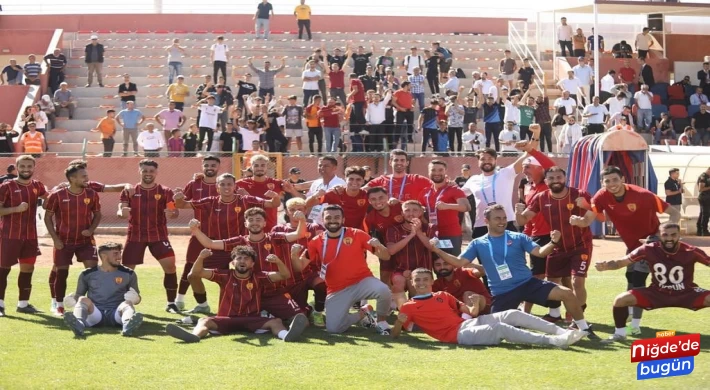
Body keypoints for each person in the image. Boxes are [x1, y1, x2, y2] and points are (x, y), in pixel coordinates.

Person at [431, 204, 600, 339]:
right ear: (486, 220)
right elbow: (460, 262)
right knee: (495, 331)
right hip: (502, 292)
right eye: (498, 218)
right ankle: (519, 320)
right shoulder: (477, 243)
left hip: (527, 284)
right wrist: (438, 251)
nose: (502, 221)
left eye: (504, 218)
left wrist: (553, 243)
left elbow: (540, 253)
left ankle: (584, 328)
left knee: (567, 293)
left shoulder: (518, 237)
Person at [571, 166, 680, 334]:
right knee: (630, 277)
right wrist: (578, 221)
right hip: (632, 246)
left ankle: (635, 325)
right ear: (602, 183)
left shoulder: (643, 195)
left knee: (638, 279)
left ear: (623, 179)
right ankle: (631, 314)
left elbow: (674, 213)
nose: (612, 184)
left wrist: (661, 237)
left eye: (615, 179)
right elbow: (587, 220)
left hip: (650, 244)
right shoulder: (601, 196)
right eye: (607, 181)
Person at [392, 268, 586, 348]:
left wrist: (474, 303)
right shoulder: (409, 307)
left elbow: (470, 313)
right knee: (500, 328)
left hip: (466, 325)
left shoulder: (443, 295)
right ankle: (555, 341)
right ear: (412, 283)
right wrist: (398, 324)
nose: (422, 283)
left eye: (425, 280)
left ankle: (563, 332)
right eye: (418, 281)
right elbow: (395, 335)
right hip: (457, 336)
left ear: (432, 281)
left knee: (512, 313)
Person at [173, 173, 275, 313]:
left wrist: (275, 197)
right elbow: (182, 204)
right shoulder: (210, 201)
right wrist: (178, 199)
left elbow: (272, 204)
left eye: (229, 184)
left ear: (235, 186)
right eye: (222, 184)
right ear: (217, 187)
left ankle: (261, 307)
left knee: (256, 277)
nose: (226, 187)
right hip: (218, 247)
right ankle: (202, 306)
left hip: (242, 248)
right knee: (193, 275)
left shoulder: (245, 200)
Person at [165, 246, 308, 343]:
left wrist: (278, 261)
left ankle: (286, 336)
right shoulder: (223, 275)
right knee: (204, 321)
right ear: (233, 262)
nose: (242, 261)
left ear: (252, 264)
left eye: (246, 259)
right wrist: (200, 258)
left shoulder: (259, 277)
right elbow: (196, 273)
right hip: (226, 318)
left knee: (276, 321)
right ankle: (194, 336)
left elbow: (284, 275)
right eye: (239, 258)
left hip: (251, 318)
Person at [188, 207, 307, 322]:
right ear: (245, 224)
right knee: (230, 318)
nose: (254, 223)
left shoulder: (275, 238)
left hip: (274, 291)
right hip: (249, 291)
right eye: (251, 220)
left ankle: (268, 314)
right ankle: (264, 315)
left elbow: (298, 234)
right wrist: (195, 230)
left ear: (265, 223)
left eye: (258, 220)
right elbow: (210, 243)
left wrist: (302, 220)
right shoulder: (240, 241)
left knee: (299, 317)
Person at [596, 224, 710, 343]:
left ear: (679, 236)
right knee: (621, 300)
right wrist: (607, 265)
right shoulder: (648, 249)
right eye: (665, 235)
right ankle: (620, 334)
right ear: (659, 236)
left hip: (686, 293)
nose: (669, 238)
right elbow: (622, 262)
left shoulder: (691, 251)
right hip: (657, 293)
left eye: (673, 235)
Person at [293, 204, 393, 334]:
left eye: (337, 217)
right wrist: (293, 256)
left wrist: (380, 245)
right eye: (329, 218)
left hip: (362, 281)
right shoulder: (316, 241)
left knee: (383, 290)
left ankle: (381, 322)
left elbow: (385, 257)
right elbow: (299, 267)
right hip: (337, 289)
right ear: (323, 220)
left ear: (343, 220)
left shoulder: (357, 234)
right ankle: (363, 313)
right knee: (333, 329)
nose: (333, 220)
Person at [516, 167, 594, 320]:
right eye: (551, 178)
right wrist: (518, 211)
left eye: (559, 177)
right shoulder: (541, 197)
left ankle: (579, 317)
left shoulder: (580, 194)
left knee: (577, 281)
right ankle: (555, 314)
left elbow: (597, 214)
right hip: (557, 246)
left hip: (580, 245)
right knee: (552, 282)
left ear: (565, 179)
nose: (555, 180)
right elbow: (523, 220)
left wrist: (584, 214)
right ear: (546, 181)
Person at [117, 160, 180, 313]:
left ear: (156, 173)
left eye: (151, 171)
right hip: (135, 236)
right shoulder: (129, 191)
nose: (148, 174)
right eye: (145, 170)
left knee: (170, 267)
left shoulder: (166, 191)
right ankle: (121, 302)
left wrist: (172, 213)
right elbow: (121, 209)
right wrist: (121, 212)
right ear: (140, 171)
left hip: (158, 236)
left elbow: (174, 212)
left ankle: (171, 303)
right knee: (126, 271)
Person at [43, 165, 101, 316]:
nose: (86, 178)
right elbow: (48, 217)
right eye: (83, 176)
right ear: (72, 178)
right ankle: (59, 305)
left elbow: (98, 214)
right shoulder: (57, 195)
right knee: (61, 272)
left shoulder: (91, 194)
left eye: (86, 175)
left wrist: (91, 230)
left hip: (85, 241)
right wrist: (55, 239)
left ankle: (94, 304)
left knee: (93, 271)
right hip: (63, 240)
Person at [61, 242, 143, 337]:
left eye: (120, 253)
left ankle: (127, 326)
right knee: (82, 299)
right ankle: (79, 324)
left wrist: (136, 299)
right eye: (115, 254)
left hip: (117, 313)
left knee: (127, 303)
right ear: (104, 256)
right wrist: (73, 300)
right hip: (95, 314)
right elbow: (79, 295)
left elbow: (137, 298)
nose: (120, 257)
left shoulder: (129, 274)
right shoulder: (87, 274)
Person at [0, 155, 48, 317]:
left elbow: (47, 198)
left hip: (30, 236)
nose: (26, 169)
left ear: (34, 167)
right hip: (8, 235)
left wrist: (54, 195)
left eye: (29, 166)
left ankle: (23, 304)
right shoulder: (6, 187)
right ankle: (0, 305)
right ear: (17, 167)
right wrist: (15, 209)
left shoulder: (38, 186)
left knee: (28, 269)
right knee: (3, 270)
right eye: (23, 166)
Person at [174, 156, 220, 309]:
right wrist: (176, 200)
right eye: (206, 165)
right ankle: (179, 300)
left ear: (218, 167)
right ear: (202, 167)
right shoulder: (194, 184)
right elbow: (180, 204)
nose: (210, 167)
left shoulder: (225, 184)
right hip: (199, 234)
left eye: (213, 165)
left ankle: (227, 304)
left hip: (222, 235)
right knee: (190, 265)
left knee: (225, 270)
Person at [271, 198, 327, 325]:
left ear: (306, 210)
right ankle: (309, 310)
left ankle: (318, 312)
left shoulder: (315, 227)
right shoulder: (278, 229)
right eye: (292, 210)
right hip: (291, 274)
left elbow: (326, 246)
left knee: (321, 284)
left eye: (300, 209)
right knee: (299, 313)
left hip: (312, 271)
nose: (296, 213)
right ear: (286, 211)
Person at [463, 147, 527, 238]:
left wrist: (535, 136)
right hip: (481, 225)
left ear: (495, 160)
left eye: (490, 158)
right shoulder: (473, 180)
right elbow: (459, 194)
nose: (486, 161)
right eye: (483, 159)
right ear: (478, 162)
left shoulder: (506, 173)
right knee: (482, 252)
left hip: (505, 223)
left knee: (509, 252)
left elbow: (527, 155)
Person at [385, 200, 435, 308]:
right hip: (401, 269)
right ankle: (404, 312)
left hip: (422, 270)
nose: (411, 213)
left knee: (418, 297)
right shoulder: (393, 229)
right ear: (402, 213)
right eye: (407, 210)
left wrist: (418, 232)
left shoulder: (430, 227)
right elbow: (391, 250)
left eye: (415, 210)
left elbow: (432, 247)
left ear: (420, 213)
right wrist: (411, 235)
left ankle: (416, 309)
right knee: (398, 283)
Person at [418, 160, 469, 254]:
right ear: (428, 172)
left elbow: (466, 207)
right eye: (433, 170)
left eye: (440, 170)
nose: (437, 173)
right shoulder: (425, 192)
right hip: (432, 235)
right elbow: (418, 210)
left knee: (451, 264)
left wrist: (447, 206)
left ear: (445, 172)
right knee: (435, 264)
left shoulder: (453, 189)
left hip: (450, 235)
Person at [236, 154, 295, 231]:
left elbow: (297, 187)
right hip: (249, 228)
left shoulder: (276, 183)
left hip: (270, 227)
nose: (259, 168)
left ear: (267, 167)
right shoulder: (240, 184)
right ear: (251, 167)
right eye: (256, 165)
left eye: (262, 165)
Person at [366, 149, 432, 201]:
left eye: (402, 160)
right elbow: (361, 191)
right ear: (390, 162)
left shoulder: (417, 179)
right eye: (396, 160)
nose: (399, 163)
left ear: (407, 163)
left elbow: (438, 188)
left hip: (409, 216)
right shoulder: (381, 180)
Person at [697, 168, 710, 237]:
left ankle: (699, 230)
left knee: (703, 214)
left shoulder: (707, 176)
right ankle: (704, 231)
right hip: (704, 198)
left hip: (706, 198)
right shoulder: (703, 177)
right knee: (706, 214)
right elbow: (700, 189)